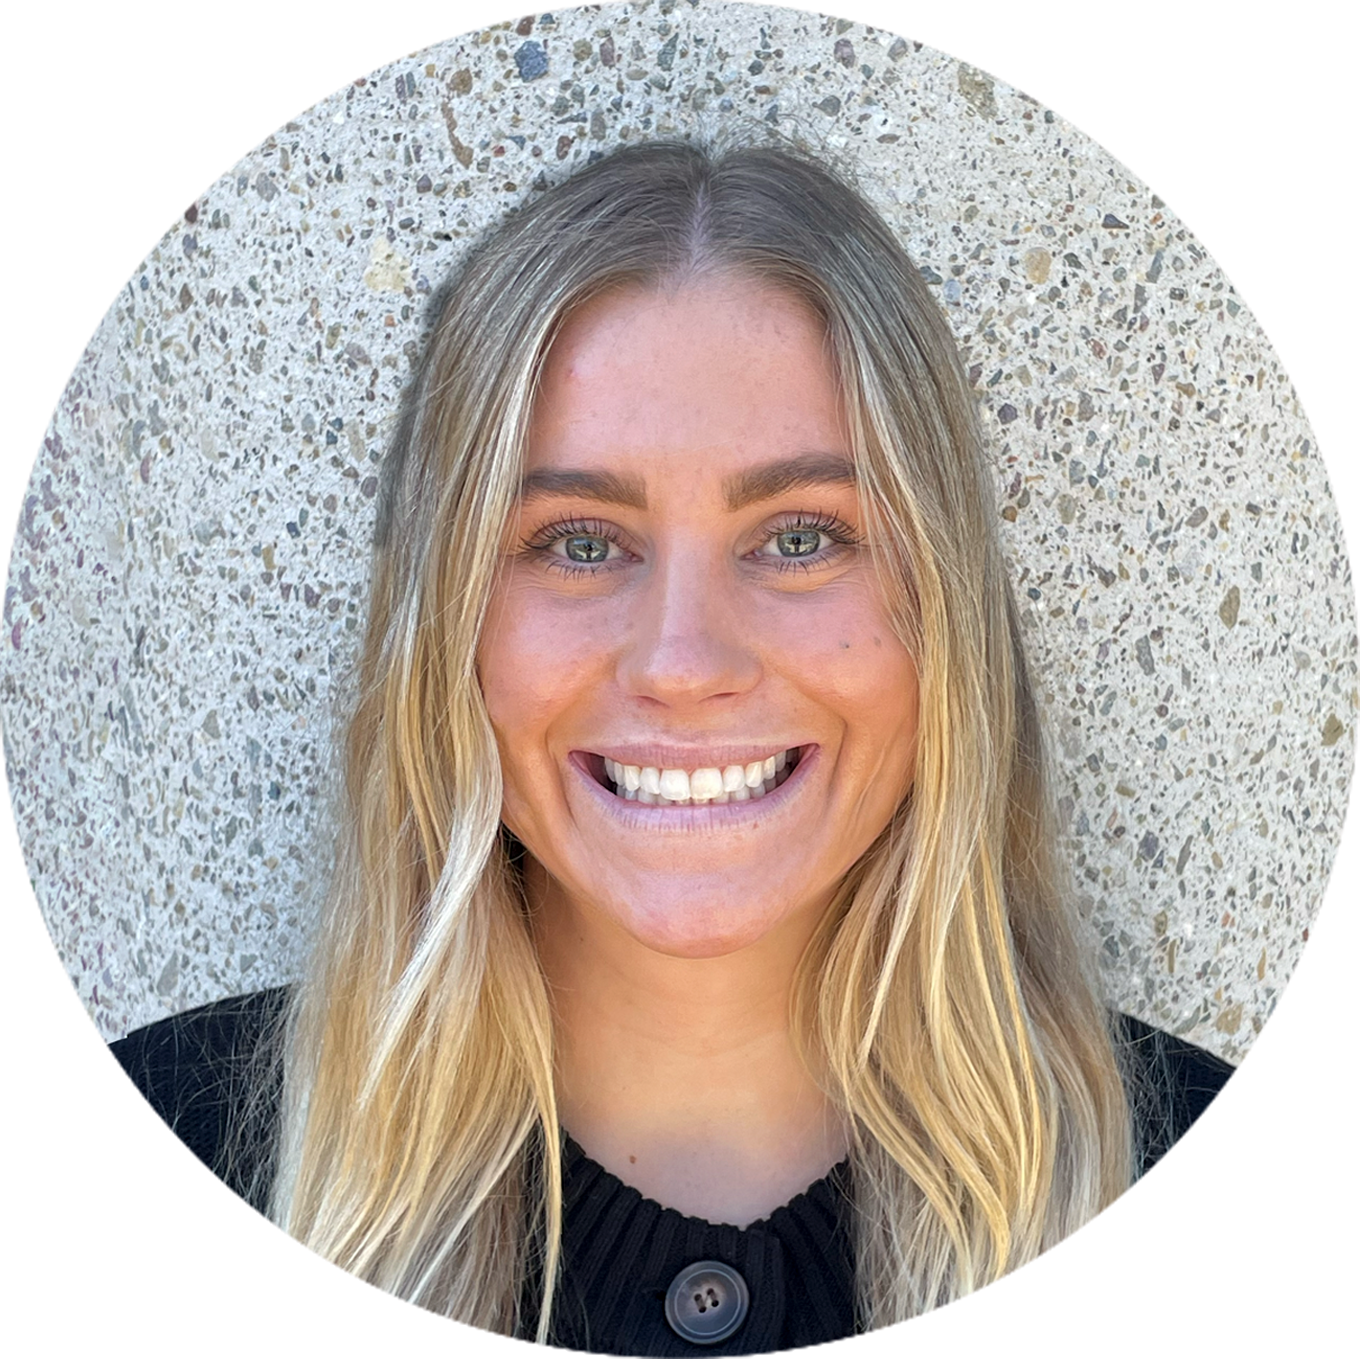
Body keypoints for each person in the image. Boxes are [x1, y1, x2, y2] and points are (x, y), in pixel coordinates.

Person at [110, 138, 1232, 1354]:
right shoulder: (129, 1173)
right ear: (446, 633)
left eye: (801, 537)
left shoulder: (1240, 1202)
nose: (683, 662)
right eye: (580, 542)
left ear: (946, 619)